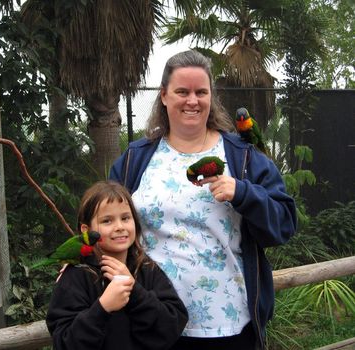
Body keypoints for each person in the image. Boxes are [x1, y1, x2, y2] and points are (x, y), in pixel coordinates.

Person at [109, 50, 297, 350]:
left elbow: (285, 223)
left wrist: (243, 193)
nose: (192, 100)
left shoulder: (243, 156)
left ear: (212, 97)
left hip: (228, 326)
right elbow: (105, 225)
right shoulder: (136, 159)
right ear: (164, 96)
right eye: (182, 91)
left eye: (201, 92)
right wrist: (84, 259)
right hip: (152, 321)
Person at [46, 180, 188, 350]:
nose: (120, 227)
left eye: (125, 218)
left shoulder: (147, 269)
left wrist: (135, 292)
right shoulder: (76, 276)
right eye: (107, 221)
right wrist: (102, 307)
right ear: (86, 229)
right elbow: (65, 342)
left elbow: (172, 325)